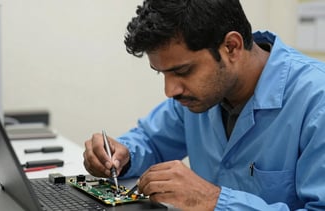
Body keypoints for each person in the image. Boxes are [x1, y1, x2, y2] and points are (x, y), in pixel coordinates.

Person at [83, 0, 325, 210]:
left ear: (231, 47)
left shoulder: (316, 101)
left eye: (183, 70)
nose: (170, 91)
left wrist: (214, 201)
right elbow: (151, 141)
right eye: (162, 74)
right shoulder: (198, 96)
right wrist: (123, 155)